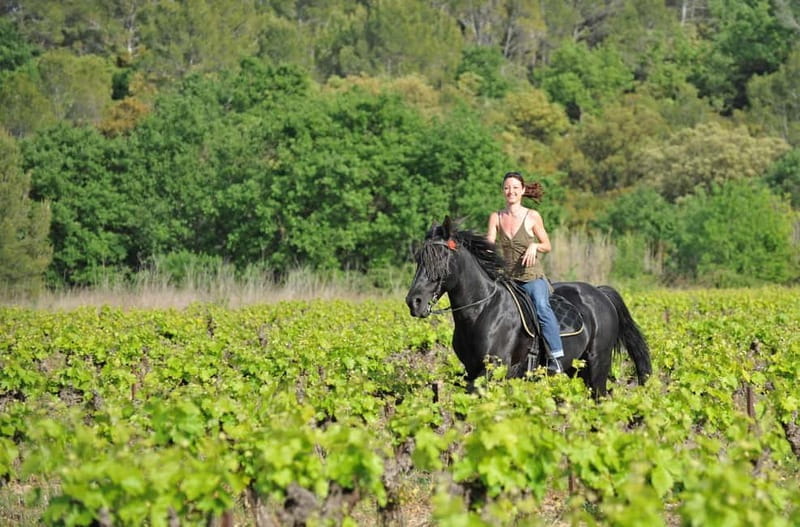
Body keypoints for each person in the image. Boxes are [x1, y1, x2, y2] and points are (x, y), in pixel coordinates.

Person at [486, 172, 565, 373]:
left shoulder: (532, 216)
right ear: (503, 191)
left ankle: (555, 357)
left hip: (531, 278)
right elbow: (489, 244)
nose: (510, 191)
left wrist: (534, 247)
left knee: (541, 307)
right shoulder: (496, 217)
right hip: (508, 280)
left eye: (514, 188)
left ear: (522, 191)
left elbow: (547, 245)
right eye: (506, 188)